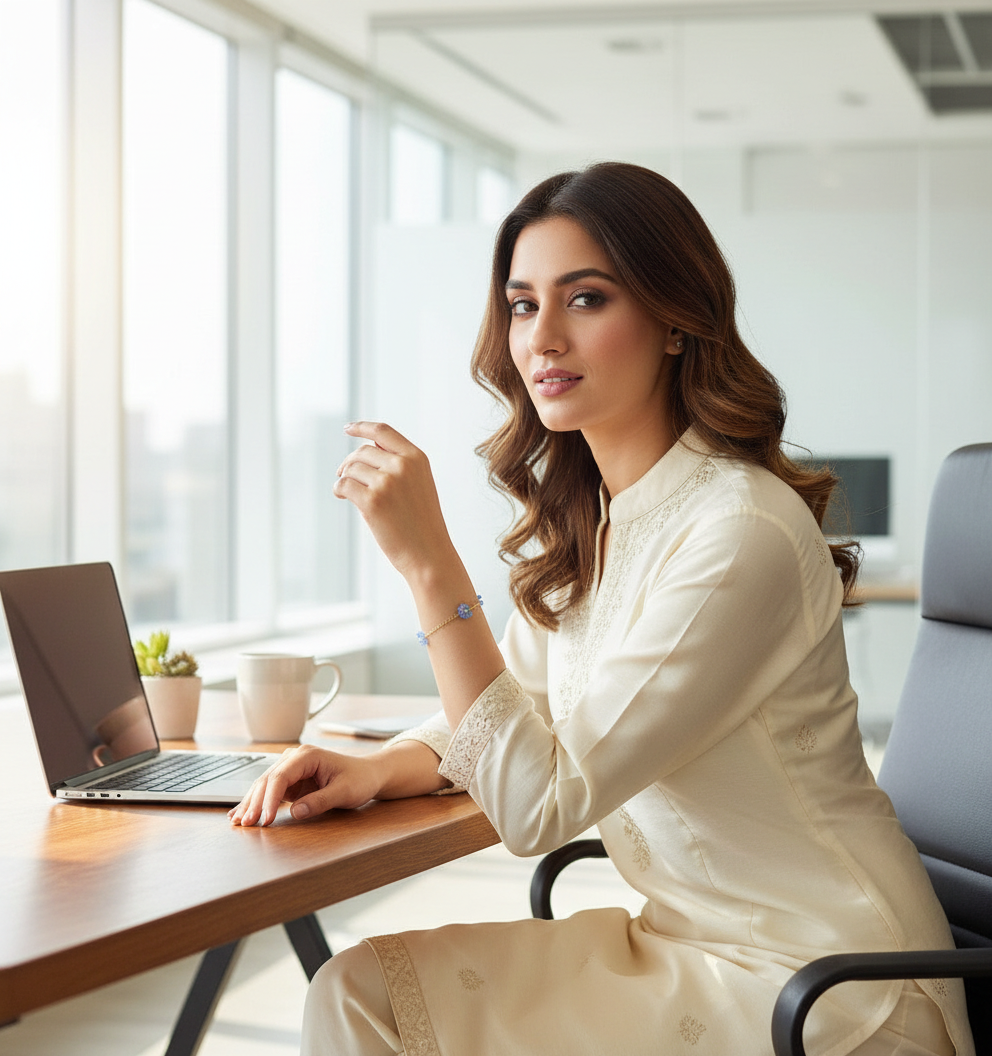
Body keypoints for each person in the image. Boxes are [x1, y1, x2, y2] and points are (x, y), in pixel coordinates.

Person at [230, 163, 972, 1056]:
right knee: (356, 989)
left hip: (831, 988)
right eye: (520, 304)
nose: (541, 337)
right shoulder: (604, 523)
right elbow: (518, 703)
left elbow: (538, 805)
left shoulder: (739, 532)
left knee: (372, 1003)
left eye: (584, 299)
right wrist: (381, 766)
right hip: (688, 946)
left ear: (672, 320)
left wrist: (429, 565)